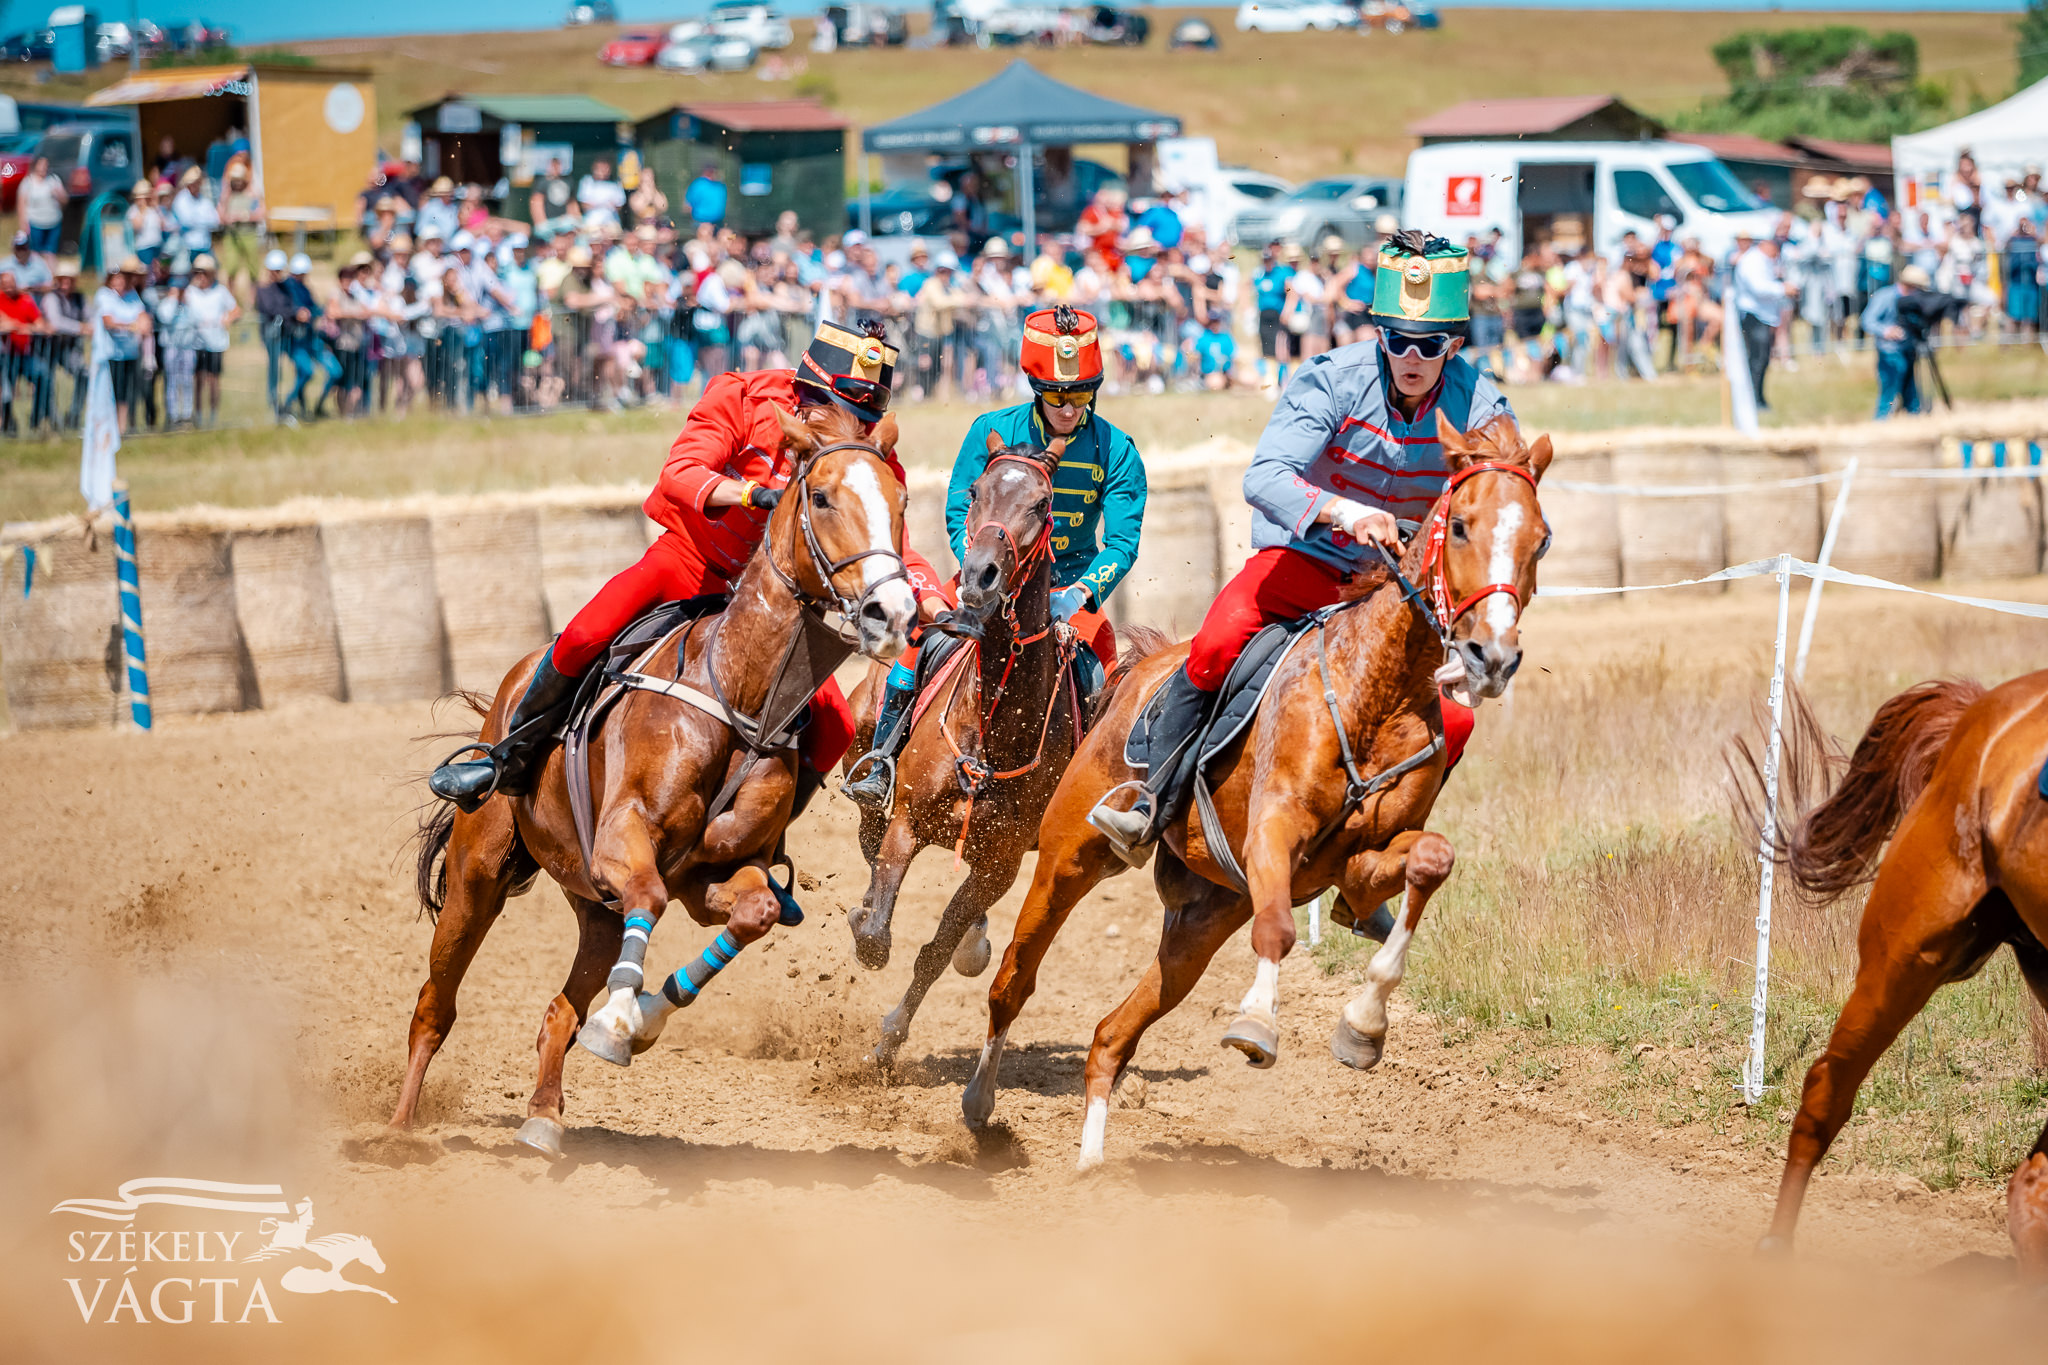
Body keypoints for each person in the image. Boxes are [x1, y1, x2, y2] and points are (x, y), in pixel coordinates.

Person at [427, 318, 948, 821]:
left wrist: (931, 597)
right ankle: (501, 759)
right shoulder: (741, 397)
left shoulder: (862, 453)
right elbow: (680, 473)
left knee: (834, 726)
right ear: (805, 391)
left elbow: (892, 543)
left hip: (776, 604)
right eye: (838, 410)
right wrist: (751, 493)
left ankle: (762, 845)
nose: (854, 430)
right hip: (691, 563)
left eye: (864, 420)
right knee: (585, 634)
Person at [1087, 231, 1500, 864]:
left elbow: (1503, 501)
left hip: (1402, 594)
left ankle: (1381, 848)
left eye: (1430, 344)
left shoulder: (1483, 404)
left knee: (1462, 718)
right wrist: (1343, 511)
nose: (1411, 357)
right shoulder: (1331, 379)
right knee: (1215, 646)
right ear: (1379, 333)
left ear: (1456, 345)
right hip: (1303, 562)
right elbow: (1265, 477)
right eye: (1397, 339)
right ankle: (1148, 799)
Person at [842, 305, 1147, 808]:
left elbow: (1122, 543)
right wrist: (975, 566)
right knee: (918, 645)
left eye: (1079, 396)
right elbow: (960, 502)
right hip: (987, 573)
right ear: (1036, 388)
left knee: (1103, 678)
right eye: (1056, 396)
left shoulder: (1116, 450)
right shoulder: (992, 428)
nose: (1068, 408)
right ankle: (882, 759)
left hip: (1069, 584)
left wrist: (1080, 594)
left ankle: (1095, 792)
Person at [92, 258, 153, 432]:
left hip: (129, 352)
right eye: (115, 278)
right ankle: (104, 426)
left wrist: (141, 324)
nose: (118, 282)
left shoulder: (132, 295)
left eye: (121, 278)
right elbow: (108, 321)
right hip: (110, 353)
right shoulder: (104, 295)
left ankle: (122, 427)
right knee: (109, 391)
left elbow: (143, 318)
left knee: (125, 392)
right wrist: (130, 326)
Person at [1731, 233, 1791, 410]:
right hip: (1753, 315)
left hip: (1762, 315)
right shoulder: (1752, 261)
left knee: (1762, 359)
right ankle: (1753, 400)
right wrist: (1782, 288)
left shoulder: (1761, 260)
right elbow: (1758, 288)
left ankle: (1758, 398)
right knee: (1757, 360)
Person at [1861, 264, 1929, 420]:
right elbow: (1867, 320)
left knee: (1911, 390)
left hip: (1908, 349)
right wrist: (1887, 331)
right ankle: (1881, 421)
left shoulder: (1912, 300)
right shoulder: (1885, 296)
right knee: (1889, 390)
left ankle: (1914, 419)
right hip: (1889, 351)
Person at [180, 253, 238, 426]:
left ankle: (212, 416)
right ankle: (197, 415)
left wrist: (227, 318)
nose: (201, 277)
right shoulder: (190, 292)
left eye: (204, 273)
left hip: (216, 343)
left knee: (213, 380)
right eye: (198, 272)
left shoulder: (220, 291)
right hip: (195, 342)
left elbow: (236, 310)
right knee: (198, 378)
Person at [215, 152, 265, 302]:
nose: (237, 183)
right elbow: (220, 214)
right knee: (231, 268)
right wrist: (227, 218)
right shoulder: (227, 193)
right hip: (232, 236)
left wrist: (243, 216)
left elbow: (262, 213)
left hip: (248, 234)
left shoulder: (252, 193)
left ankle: (253, 302)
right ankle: (232, 302)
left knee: (254, 270)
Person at [170, 166, 220, 274]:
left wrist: (197, 221)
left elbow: (215, 221)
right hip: (187, 247)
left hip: (204, 246)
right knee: (185, 277)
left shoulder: (204, 200)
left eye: (197, 183)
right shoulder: (181, 199)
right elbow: (185, 221)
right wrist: (203, 221)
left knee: (209, 274)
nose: (194, 186)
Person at [16, 157, 66, 259]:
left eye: (46, 165)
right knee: (35, 253)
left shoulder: (54, 180)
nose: (44, 168)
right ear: (35, 166)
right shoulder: (28, 182)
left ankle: (50, 274)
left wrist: (59, 195)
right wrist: (23, 224)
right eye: (41, 165)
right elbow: (21, 205)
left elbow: (65, 200)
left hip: (53, 222)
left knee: (51, 252)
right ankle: (37, 273)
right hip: (35, 223)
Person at [529, 157, 579, 239]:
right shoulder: (542, 182)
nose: (555, 168)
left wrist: (576, 219)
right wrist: (541, 223)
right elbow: (536, 203)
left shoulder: (568, 181)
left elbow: (571, 203)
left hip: (564, 221)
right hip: (548, 223)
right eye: (553, 166)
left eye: (558, 166)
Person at [577, 159, 627, 234]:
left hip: (611, 223)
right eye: (600, 169)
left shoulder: (616, 184)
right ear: (594, 169)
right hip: (592, 223)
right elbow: (584, 205)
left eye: (606, 169)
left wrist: (596, 203)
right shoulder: (586, 181)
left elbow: (619, 206)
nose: (603, 171)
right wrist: (605, 204)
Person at [126, 181, 165, 268]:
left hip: (157, 246)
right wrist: (142, 209)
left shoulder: (154, 209)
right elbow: (137, 226)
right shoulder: (133, 210)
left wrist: (155, 205)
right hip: (144, 248)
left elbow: (163, 224)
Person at [414, 177, 460, 245]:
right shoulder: (430, 207)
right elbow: (420, 229)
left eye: (449, 191)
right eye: (445, 192)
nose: (448, 194)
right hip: (434, 245)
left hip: (452, 245)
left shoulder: (455, 208)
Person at [684, 162, 727, 232]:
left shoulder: (720, 185)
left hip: (717, 223)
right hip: (701, 223)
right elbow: (688, 205)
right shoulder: (698, 185)